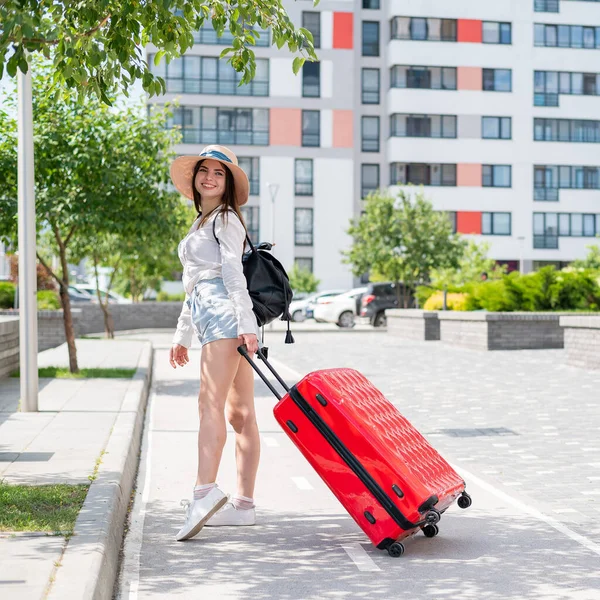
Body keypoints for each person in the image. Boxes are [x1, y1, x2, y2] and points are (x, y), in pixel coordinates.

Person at [169, 145, 261, 541]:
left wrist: (246, 324)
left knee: (210, 405)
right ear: (195, 180)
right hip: (216, 318)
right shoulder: (202, 222)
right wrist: (182, 335)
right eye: (203, 171)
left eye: (218, 174)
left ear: (227, 184)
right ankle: (243, 507)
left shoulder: (225, 219)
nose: (209, 177)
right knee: (240, 414)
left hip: (226, 318)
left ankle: (204, 492)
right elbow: (194, 286)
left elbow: (231, 275)